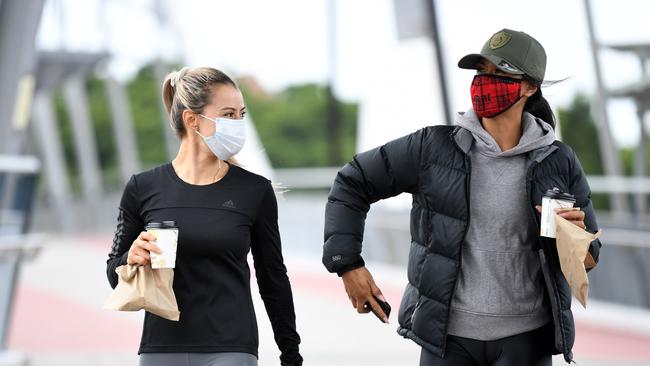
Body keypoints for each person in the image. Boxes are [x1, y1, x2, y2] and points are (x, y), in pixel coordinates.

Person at [322, 29, 602, 365]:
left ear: (530, 86)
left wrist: (573, 241)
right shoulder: (432, 148)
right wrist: (348, 264)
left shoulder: (558, 160)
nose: (486, 81)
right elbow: (353, 182)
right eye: (481, 71)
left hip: (526, 343)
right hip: (447, 341)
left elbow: (588, 260)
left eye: (500, 73)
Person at [106, 67, 303, 366]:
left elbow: (272, 277)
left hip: (231, 347)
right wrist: (129, 258)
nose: (238, 124)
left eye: (241, 114)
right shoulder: (142, 188)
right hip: (160, 348)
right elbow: (113, 276)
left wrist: (290, 353)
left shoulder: (254, 190)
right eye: (228, 114)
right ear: (191, 119)